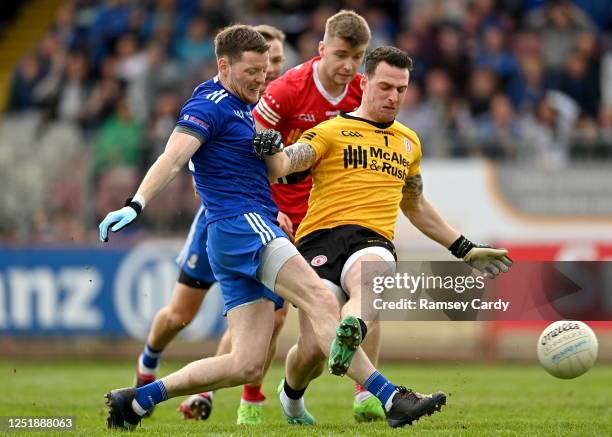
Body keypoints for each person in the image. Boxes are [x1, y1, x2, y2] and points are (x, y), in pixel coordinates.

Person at [100, 25, 446, 431]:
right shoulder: (210, 105)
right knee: (321, 299)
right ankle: (389, 396)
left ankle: (138, 400)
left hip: (234, 234)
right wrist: (136, 202)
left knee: (246, 363)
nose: (261, 79)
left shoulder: (244, 103)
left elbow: (254, 165)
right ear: (223, 65)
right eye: (252, 71)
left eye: (266, 70)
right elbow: (174, 156)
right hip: (244, 225)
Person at [253, 46, 513, 423]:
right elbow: (287, 163)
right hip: (317, 241)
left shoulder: (409, 143)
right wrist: (271, 150)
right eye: (386, 86)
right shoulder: (329, 131)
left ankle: (352, 327)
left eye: (402, 89)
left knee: (372, 273)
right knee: (310, 351)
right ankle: (291, 396)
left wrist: (465, 248)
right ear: (364, 83)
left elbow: (416, 205)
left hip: (371, 239)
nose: (393, 97)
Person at [131, 24, 289, 426]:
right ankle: (148, 364)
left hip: (265, 218)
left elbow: (276, 168)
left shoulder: (276, 99)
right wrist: (138, 201)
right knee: (181, 315)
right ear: (233, 65)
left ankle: (225, 394)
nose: (269, 71)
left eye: (276, 61)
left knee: (268, 315)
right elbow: (178, 155)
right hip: (220, 221)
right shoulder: (219, 100)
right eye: (261, 63)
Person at [252, 10, 386, 423]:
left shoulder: (362, 93)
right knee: (307, 344)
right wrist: (268, 207)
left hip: (337, 214)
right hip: (286, 217)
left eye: (358, 57)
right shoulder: (286, 90)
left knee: (370, 289)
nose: (349, 67)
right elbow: (252, 148)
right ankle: (277, 393)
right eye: (342, 55)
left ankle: (367, 391)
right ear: (322, 49)